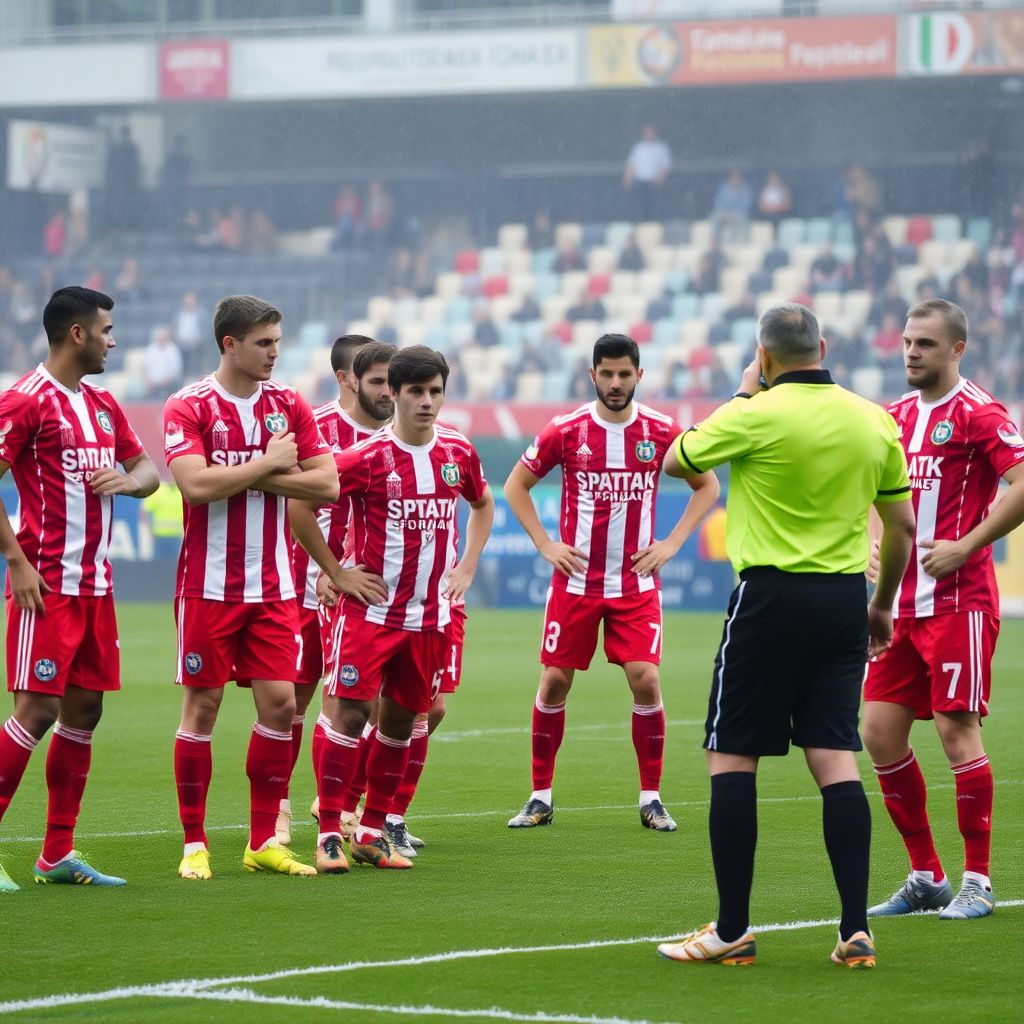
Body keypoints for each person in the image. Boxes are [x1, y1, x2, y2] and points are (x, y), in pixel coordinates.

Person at [656, 303, 915, 969]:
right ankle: (855, 930)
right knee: (834, 757)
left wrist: (745, 392)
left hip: (769, 598)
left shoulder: (755, 412)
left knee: (732, 757)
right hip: (842, 601)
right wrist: (880, 605)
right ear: (823, 347)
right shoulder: (874, 418)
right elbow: (903, 529)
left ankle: (733, 929)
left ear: (764, 355)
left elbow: (677, 459)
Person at [504, 333, 720, 833]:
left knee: (645, 680)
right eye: (607, 373)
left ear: (639, 376)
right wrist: (544, 544)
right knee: (555, 682)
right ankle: (539, 797)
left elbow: (707, 483)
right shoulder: (567, 429)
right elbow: (516, 485)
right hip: (575, 582)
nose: (616, 382)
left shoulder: (663, 430)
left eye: (625, 374)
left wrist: (671, 543)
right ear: (592, 374)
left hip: (635, 586)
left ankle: (651, 798)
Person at [293, 346, 494, 873]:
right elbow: (300, 507)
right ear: (396, 395)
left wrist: (467, 564)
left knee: (404, 723)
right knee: (352, 714)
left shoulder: (457, 452)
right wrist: (336, 572)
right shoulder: (368, 457)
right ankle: (330, 833)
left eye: (435, 392)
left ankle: (373, 831)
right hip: (371, 616)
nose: (427, 402)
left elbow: (483, 503)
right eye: (416, 392)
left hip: (429, 618)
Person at [164, 295, 339, 881]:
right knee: (204, 705)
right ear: (229, 344)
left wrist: (257, 470)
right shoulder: (188, 405)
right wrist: (267, 466)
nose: (275, 353)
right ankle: (194, 843)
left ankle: (262, 838)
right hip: (207, 586)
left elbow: (328, 486)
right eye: (264, 343)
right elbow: (194, 487)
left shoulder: (289, 403)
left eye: (278, 342)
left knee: (282, 704)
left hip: (274, 587)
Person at [862, 299, 1024, 921]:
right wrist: (876, 542)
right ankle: (926, 874)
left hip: (960, 603)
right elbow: (878, 495)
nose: (910, 352)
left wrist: (969, 543)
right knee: (877, 732)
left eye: (925, 344)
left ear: (956, 350)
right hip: (898, 607)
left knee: (958, 732)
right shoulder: (893, 418)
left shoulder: (979, 413)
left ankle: (978, 882)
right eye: (907, 342)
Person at [0, 286, 160, 892]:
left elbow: (148, 470)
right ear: (77, 334)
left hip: (96, 585)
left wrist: (127, 480)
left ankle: (56, 853)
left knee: (84, 710)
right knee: (36, 709)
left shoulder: (100, 404)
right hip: (46, 583)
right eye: (106, 329)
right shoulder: (25, 402)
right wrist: (15, 563)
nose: (112, 340)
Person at [277, 337, 394, 848]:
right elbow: (286, 499)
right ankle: (279, 809)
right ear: (347, 378)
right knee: (293, 702)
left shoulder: (399, 432)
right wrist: (327, 567)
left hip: (361, 591)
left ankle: (345, 804)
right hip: (304, 583)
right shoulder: (315, 426)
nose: (389, 390)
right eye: (376, 380)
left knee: (369, 703)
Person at [622, 124, 671, 221]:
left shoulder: (661, 148)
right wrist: (627, 180)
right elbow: (631, 165)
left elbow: (665, 166)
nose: (649, 135)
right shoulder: (638, 148)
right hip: (640, 183)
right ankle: (641, 223)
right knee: (640, 207)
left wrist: (660, 180)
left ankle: (653, 223)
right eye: (647, 132)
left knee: (654, 208)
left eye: (651, 132)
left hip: (655, 184)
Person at [142, 326, 183, 399]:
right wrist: (148, 380)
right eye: (159, 336)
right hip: (152, 383)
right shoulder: (151, 349)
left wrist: (167, 380)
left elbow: (175, 369)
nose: (161, 338)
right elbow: (145, 367)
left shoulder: (173, 349)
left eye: (162, 336)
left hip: (168, 383)